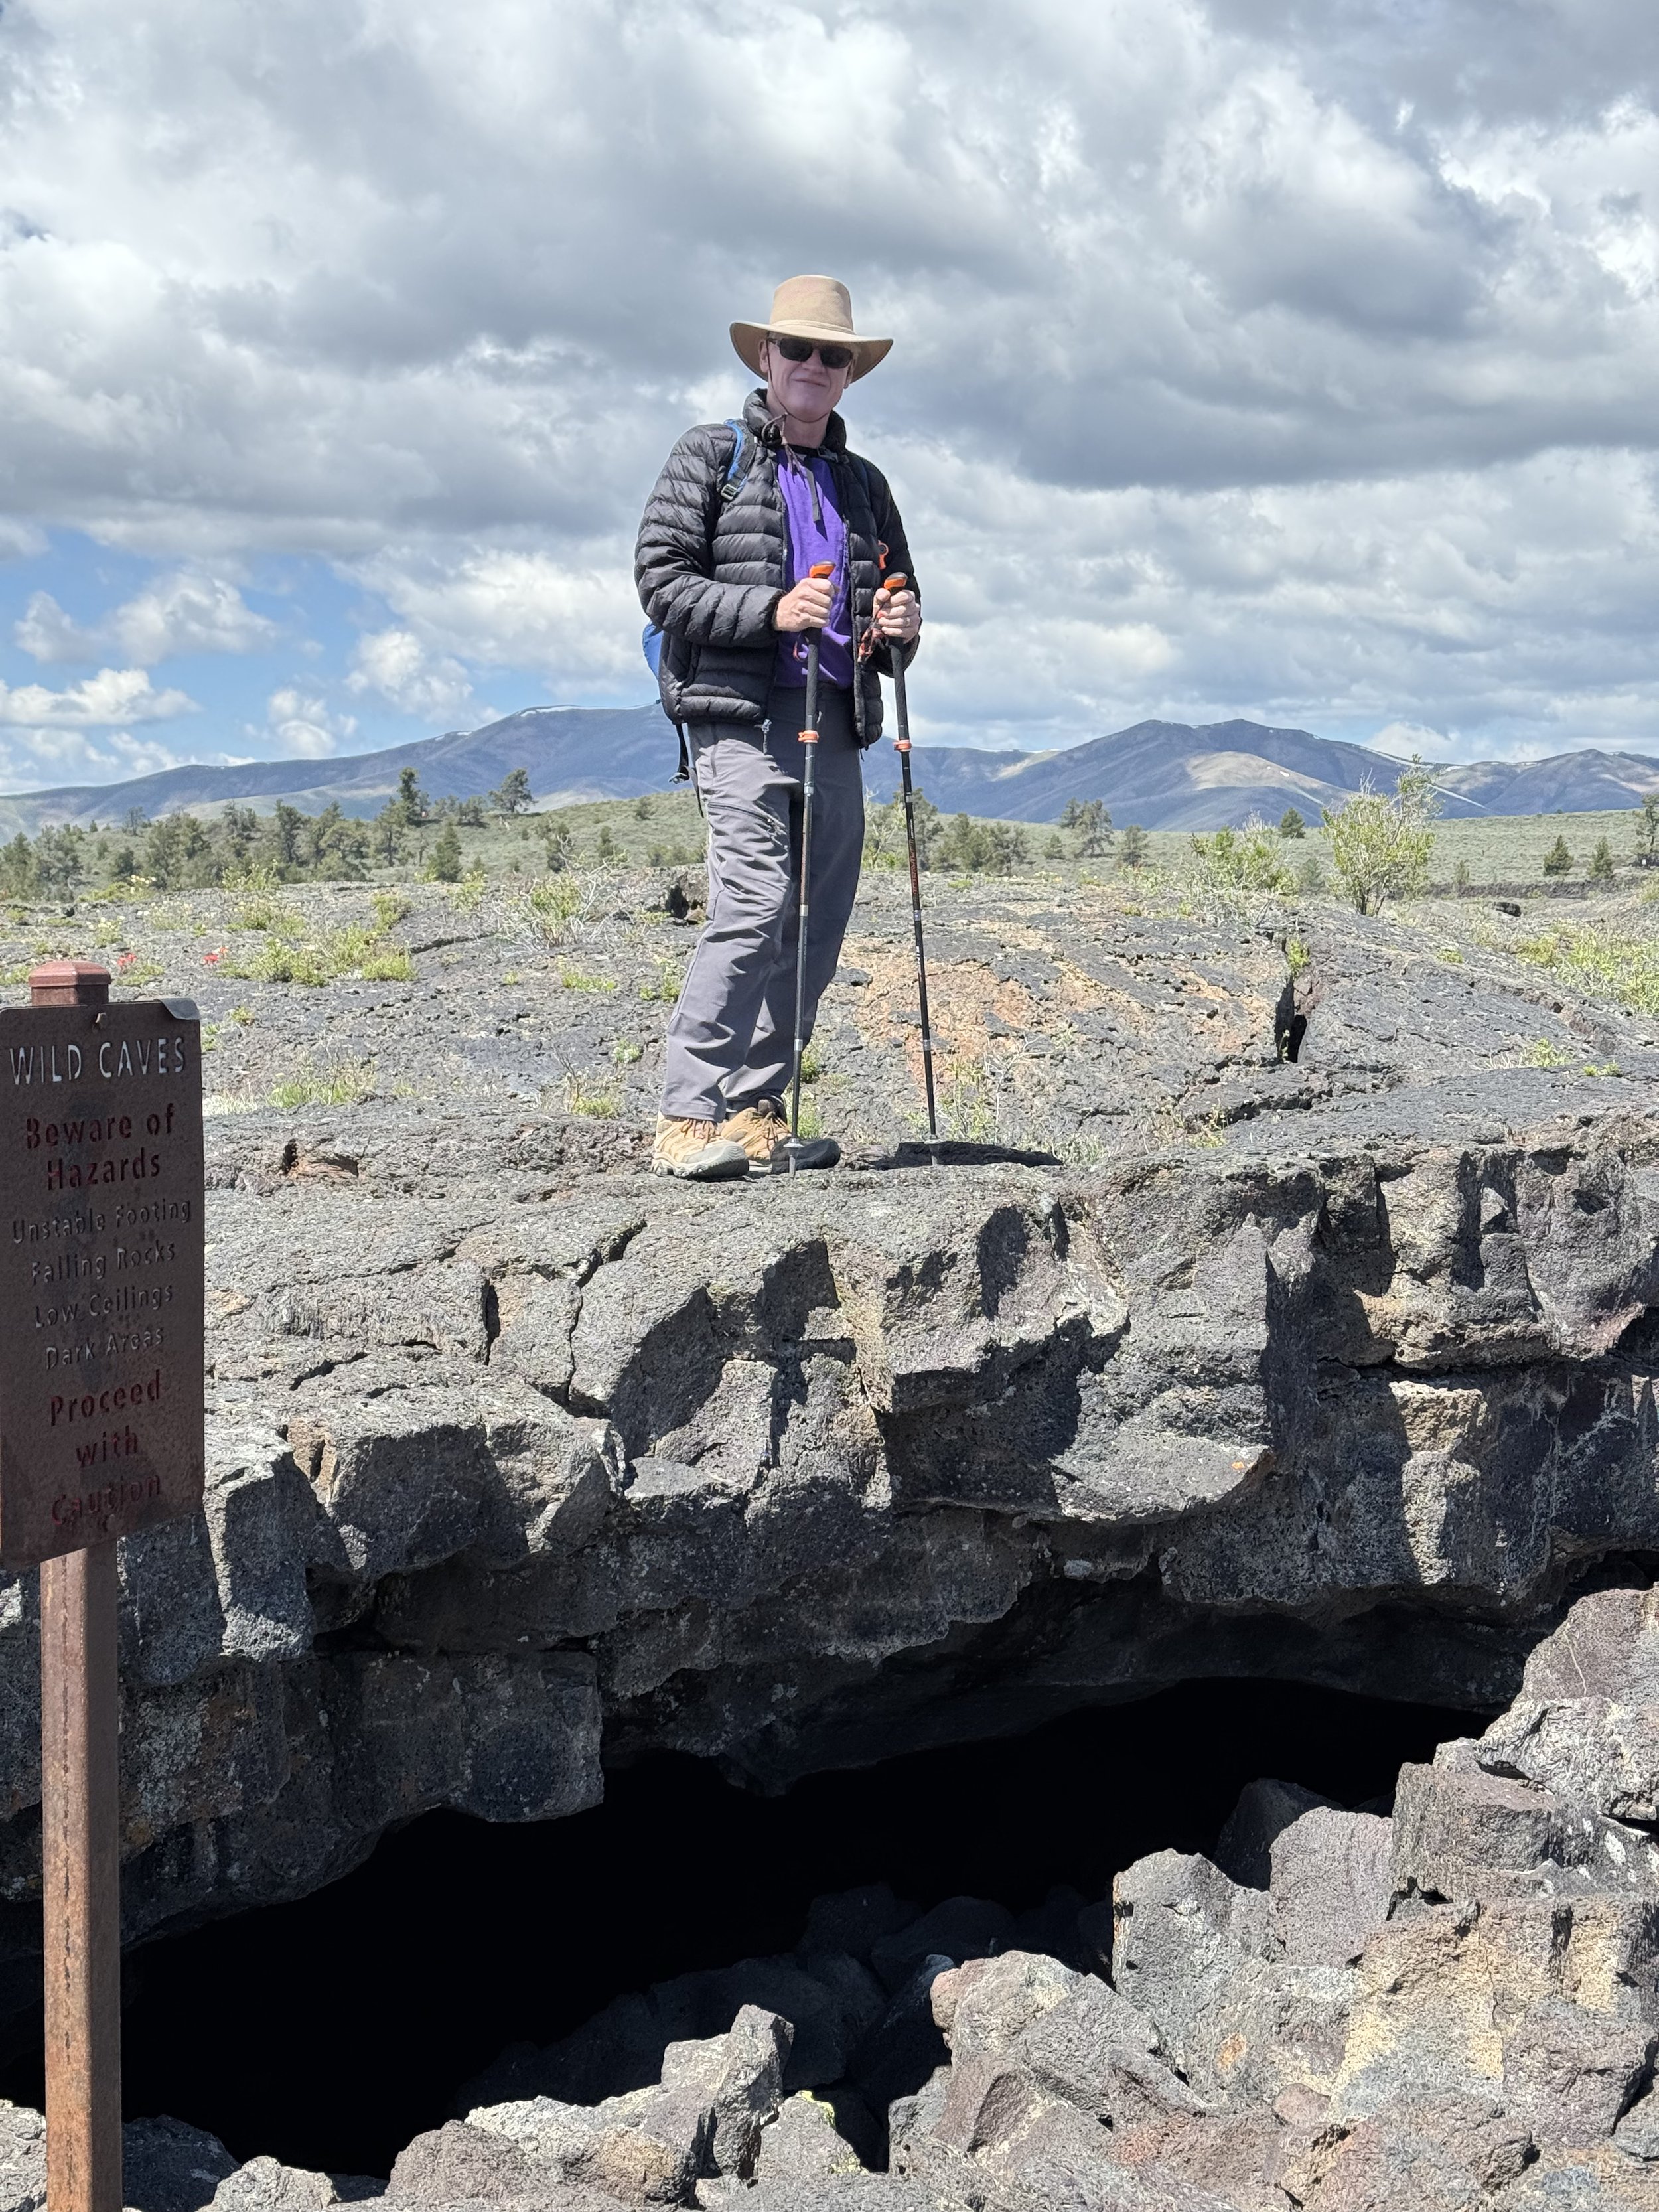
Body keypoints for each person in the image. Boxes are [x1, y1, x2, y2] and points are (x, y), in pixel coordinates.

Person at [635, 274, 922, 1177]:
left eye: (831, 354)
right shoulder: (708, 455)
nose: (812, 365)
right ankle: (686, 1116)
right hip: (740, 718)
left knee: (819, 919)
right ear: (766, 358)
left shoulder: (864, 485)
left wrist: (902, 632)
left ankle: (755, 1112)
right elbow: (661, 582)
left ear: (848, 375)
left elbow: (897, 603)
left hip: (836, 719)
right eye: (795, 348)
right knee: (756, 901)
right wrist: (774, 610)